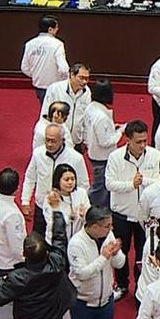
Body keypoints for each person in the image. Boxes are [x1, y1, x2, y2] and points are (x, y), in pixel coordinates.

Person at [0, 189, 76, 319]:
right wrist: (57, 210)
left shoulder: (17, 277)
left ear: (24, 254)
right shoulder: (56, 263)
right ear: (47, 253)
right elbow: (59, 238)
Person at [106, 120, 160, 300]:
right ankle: (121, 285)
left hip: (146, 216)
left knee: (143, 252)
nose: (143, 145)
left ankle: (140, 286)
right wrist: (131, 185)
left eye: (145, 140)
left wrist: (143, 181)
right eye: (138, 141)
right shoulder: (115, 157)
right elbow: (109, 184)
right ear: (128, 140)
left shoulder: (155, 155)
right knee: (120, 252)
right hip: (121, 214)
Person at [22, 124, 89, 235]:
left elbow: (83, 184)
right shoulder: (38, 153)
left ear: (62, 140)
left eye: (53, 141)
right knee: (38, 242)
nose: (49, 144)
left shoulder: (76, 158)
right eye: (47, 140)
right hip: (41, 205)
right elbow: (30, 177)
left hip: (65, 209)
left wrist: (76, 205)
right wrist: (25, 201)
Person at [67, 206, 125, 319]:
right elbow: (82, 274)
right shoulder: (76, 244)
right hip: (83, 304)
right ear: (94, 227)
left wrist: (115, 255)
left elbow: (120, 264)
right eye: (108, 226)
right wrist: (103, 258)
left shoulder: (109, 235)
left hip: (106, 302)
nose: (111, 228)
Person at [83, 79, 123, 208]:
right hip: (102, 156)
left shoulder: (90, 108)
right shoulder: (101, 117)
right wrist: (120, 132)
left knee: (101, 185)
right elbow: (105, 141)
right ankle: (92, 207)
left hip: (93, 152)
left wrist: (111, 128)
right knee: (100, 186)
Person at [39, 63, 93, 149]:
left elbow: (86, 118)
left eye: (87, 78)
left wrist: (85, 140)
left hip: (77, 142)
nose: (84, 82)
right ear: (71, 75)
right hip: (59, 141)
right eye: (81, 78)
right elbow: (45, 116)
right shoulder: (55, 89)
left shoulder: (87, 92)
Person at [21, 15, 70, 102]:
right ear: (50, 29)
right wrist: (65, 80)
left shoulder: (29, 44)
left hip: (38, 84)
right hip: (55, 85)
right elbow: (63, 68)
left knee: (44, 109)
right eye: (56, 27)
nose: (57, 29)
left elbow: (24, 67)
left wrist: (36, 74)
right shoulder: (57, 44)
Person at [44, 163, 91, 246]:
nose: (70, 182)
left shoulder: (81, 193)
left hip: (77, 242)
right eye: (66, 179)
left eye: (73, 179)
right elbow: (52, 223)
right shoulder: (51, 198)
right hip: (57, 243)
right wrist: (70, 218)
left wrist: (85, 215)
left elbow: (88, 215)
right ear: (58, 180)